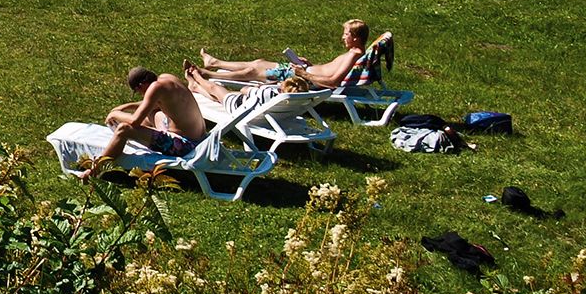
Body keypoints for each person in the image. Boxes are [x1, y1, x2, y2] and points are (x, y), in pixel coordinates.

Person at [73, 67, 210, 181]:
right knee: (154, 114)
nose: (141, 95)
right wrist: (126, 107)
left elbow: (134, 121)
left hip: (185, 146)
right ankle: (141, 136)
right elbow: (152, 103)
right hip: (200, 136)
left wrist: (115, 114)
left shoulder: (156, 87)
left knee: (124, 129)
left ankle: (95, 170)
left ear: (140, 86)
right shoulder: (167, 79)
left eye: (139, 92)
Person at [194, 20, 370, 88]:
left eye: (346, 34)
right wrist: (309, 64)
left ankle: (207, 74)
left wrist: (304, 73)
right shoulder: (353, 52)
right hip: (305, 72)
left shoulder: (353, 55)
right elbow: (328, 71)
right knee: (259, 61)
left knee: (253, 72)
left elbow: (333, 82)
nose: (343, 37)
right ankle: (215, 63)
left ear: (355, 37)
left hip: (304, 79)